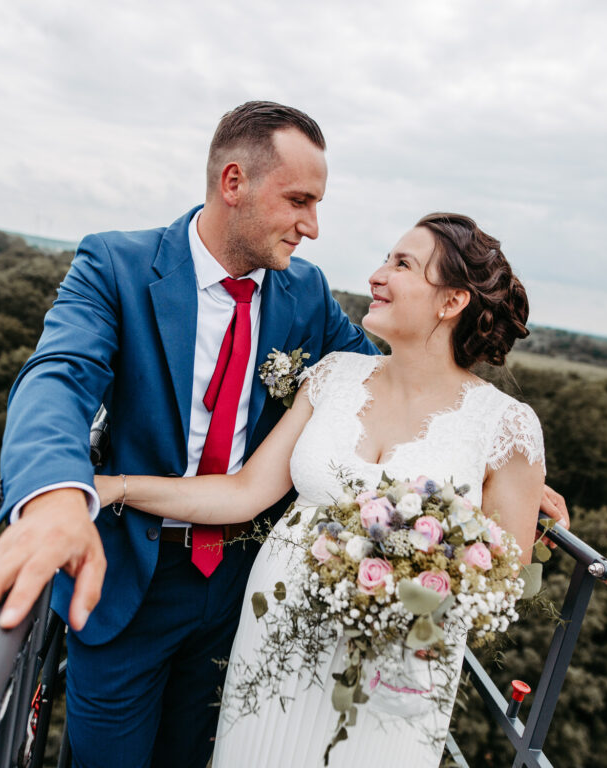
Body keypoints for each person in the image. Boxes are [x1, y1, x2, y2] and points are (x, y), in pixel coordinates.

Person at [0, 101, 569, 768]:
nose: (313, 227)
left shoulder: (306, 297)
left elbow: (411, 387)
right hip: (129, 582)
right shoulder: (116, 265)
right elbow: (57, 378)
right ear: (233, 183)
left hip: (245, 595)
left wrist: (500, 477)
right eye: (300, 200)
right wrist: (55, 493)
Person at [93, 212, 546, 767]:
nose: (377, 275)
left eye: (402, 264)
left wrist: (410, 590)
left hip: (397, 667)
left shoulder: (507, 426)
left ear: (451, 302)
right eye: (385, 257)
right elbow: (242, 493)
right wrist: (113, 486)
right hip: (275, 640)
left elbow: (506, 581)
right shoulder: (335, 375)